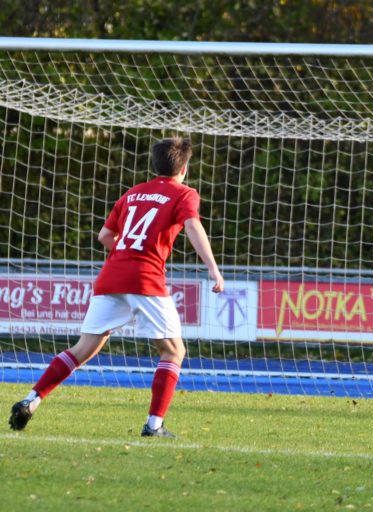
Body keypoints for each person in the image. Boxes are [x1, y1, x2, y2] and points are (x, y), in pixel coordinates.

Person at [8, 137, 225, 438]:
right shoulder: (184, 193)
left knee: (83, 349)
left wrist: (127, 252)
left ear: (155, 165)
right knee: (173, 351)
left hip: (111, 276)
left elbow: (105, 236)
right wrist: (213, 267)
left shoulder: (133, 193)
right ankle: (154, 425)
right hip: (145, 278)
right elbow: (192, 225)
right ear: (184, 168)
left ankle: (31, 400)